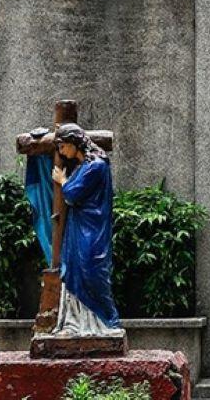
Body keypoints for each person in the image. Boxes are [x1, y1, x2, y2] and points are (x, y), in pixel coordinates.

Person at [50, 123, 122, 336]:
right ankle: (76, 323)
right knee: (75, 271)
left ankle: (108, 322)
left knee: (92, 270)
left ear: (74, 143)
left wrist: (63, 181)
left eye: (63, 146)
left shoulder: (96, 166)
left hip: (93, 229)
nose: (61, 152)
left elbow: (73, 194)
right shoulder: (84, 165)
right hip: (79, 226)